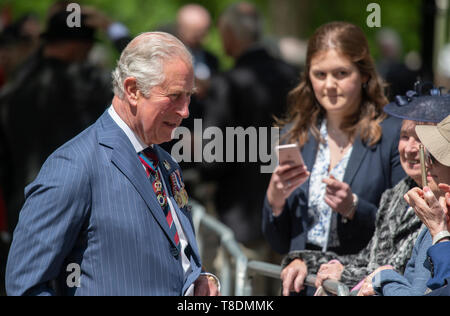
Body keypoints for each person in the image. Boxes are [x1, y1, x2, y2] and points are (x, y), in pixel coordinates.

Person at [5, 31, 219, 296]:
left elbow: (171, 251)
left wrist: (197, 280)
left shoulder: (165, 163)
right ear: (132, 90)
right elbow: (25, 285)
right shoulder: (73, 165)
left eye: (189, 95)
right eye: (174, 96)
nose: (185, 110)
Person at [263, 22, 406, 286]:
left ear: (363, 74)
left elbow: (402, 233)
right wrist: (275, 201)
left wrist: (354, 208)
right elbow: (277, 241)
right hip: (302, 286)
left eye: (341, 73)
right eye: (319, 74)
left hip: (359, 285)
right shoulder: (292, 135)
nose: (329, 85)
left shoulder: (393, 135)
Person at [279, 83, 450, 296]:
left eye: (422, 139)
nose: (411, 148)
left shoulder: (440, 203)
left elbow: (401, 273)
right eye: (405, 137)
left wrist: (344, 275)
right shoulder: (397, 193)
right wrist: (308, 263)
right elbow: (371, 259)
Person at [202, 1, 298, 247]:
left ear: (231, 35)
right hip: (290, 214)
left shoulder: (227, 84)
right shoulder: (293, 76)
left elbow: (212, 159)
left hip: (241, 220)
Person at [356, 95, 450, 296]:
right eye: (404, 137)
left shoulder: (435, 217)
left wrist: (384, 279)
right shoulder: (399, 198)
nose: (414, 151)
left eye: (433, 153)